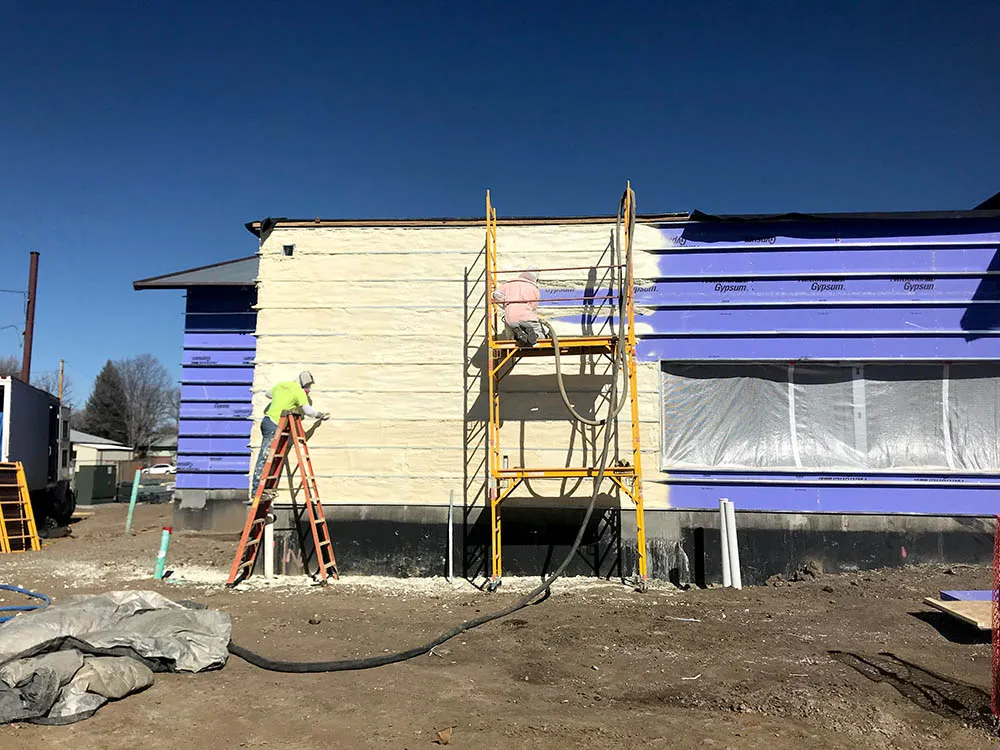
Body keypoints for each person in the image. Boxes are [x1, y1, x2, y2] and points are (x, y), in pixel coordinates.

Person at [250, 370, 328, 501]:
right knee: (265, 458)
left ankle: (264, 489)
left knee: (270, 458)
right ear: (303, 385)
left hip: (268, 421)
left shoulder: (282, 385)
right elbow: (308, 411)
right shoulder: (298, 392)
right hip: (275, 425)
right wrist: (320, 415)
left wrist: (281, 399)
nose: (308, 390)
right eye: (308, 387)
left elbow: (268, 394)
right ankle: (257, 492)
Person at [492, 270, 543, 346]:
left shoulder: (508, 284)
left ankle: (516, 336)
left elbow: (496, 295)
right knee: (541, 334)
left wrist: (506, 304)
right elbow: (533, 307)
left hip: (510, 317)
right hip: (527, 317)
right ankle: (535, 334)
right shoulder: (534, 288)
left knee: (511, 334)